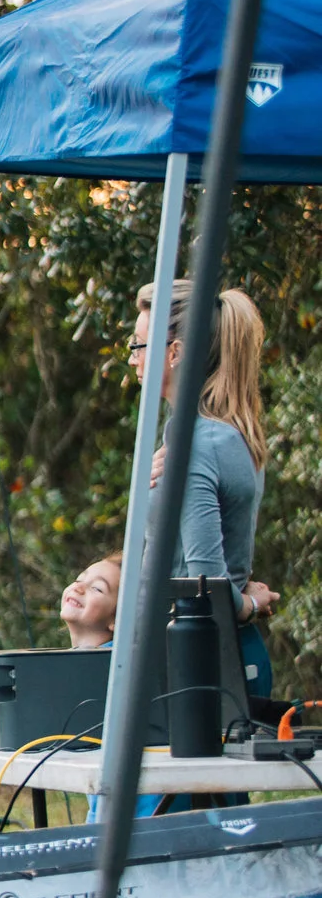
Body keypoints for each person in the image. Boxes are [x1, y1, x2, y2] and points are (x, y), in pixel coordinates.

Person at [133, 281, 279, 692]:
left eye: (138, 345)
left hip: (196, 670)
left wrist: (249, 603)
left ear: (175, 352)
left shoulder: (198, 443)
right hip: (196, 660)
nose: (132, 358)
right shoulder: (221, 435)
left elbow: (203, 584)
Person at [60, 554, 121, 650]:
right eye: (78, 580)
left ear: (118, 620)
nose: (78, 587)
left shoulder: (112, 658)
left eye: (96, 588)